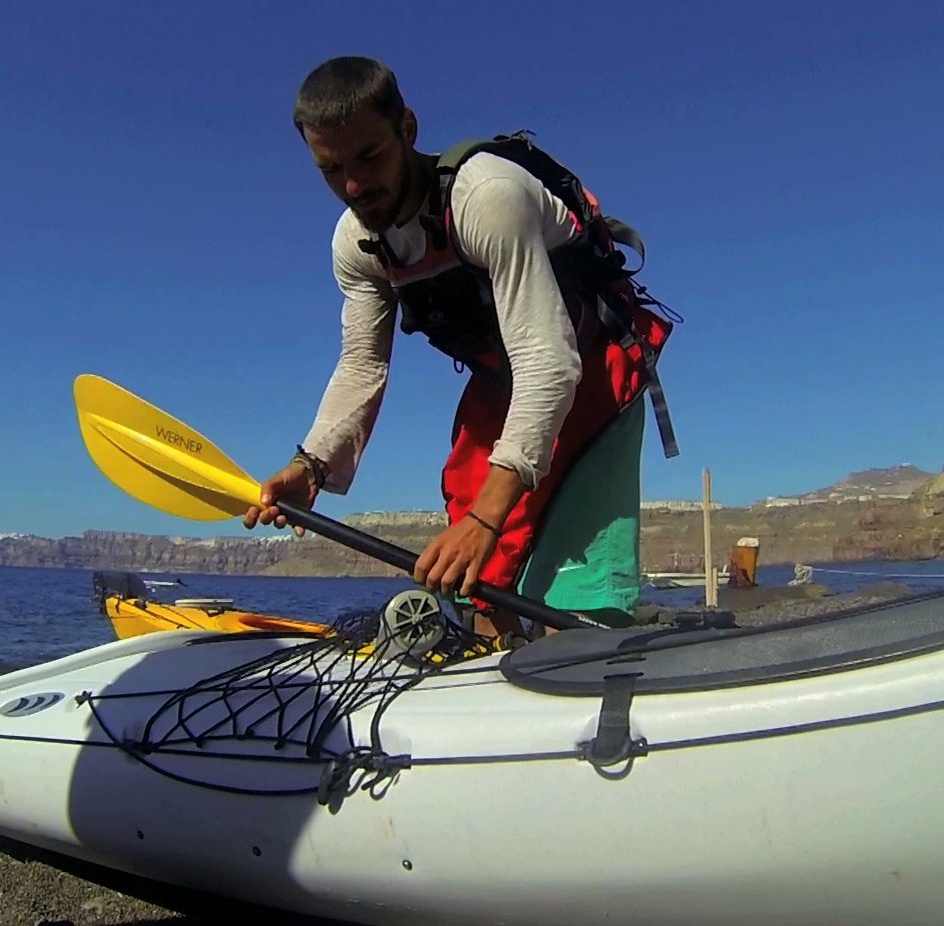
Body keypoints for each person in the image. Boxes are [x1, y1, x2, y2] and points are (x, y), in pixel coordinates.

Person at [243, 56, 679, 644]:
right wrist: (312, 463)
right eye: (331, 169)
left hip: (600, 360)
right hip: (504, 380)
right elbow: (362, 363)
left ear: (408, 129)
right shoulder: (357, 242)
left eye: (368, 157)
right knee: (475, 563)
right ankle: (497, 662)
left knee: (573, 574)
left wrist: (486, 518)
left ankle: (587, 663)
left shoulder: (486, 196)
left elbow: (550, 363)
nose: (353, 186)